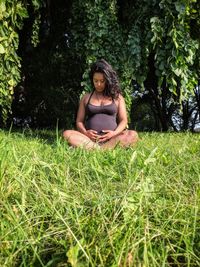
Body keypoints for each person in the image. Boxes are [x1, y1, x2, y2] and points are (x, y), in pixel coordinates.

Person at [63, 59, 139, 149]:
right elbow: (79, 121)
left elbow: (123, 120)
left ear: (108, 80)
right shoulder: (86, 98)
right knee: (67, 134)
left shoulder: (117, 98)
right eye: (96, 81)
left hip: (113, 138)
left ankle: (98, 149)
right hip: (89, 139)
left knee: (132, 134)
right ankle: (101, 148)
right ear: (92, 80)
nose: (98, 84)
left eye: (102, 81)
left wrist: (114, 134)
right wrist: (85, 132)